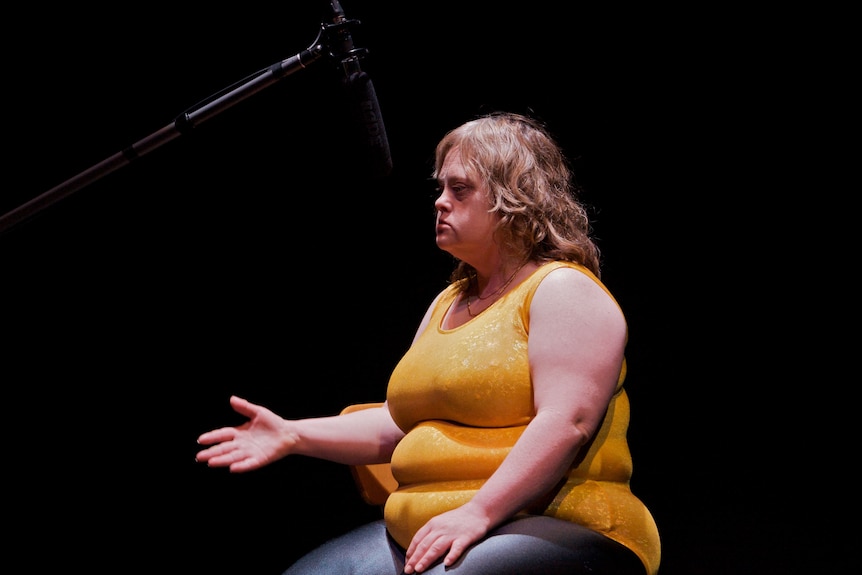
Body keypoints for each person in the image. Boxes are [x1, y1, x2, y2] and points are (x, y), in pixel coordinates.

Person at [195, 111, 661, 575]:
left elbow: (566, 423)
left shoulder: (562, 289)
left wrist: (477, 513)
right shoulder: (449, 301)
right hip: (437, 532)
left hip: (557, 525)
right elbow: (399, 424)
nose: (440, 202)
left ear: (513, 198)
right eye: (440, 189)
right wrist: (293, 434)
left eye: (460, 190)